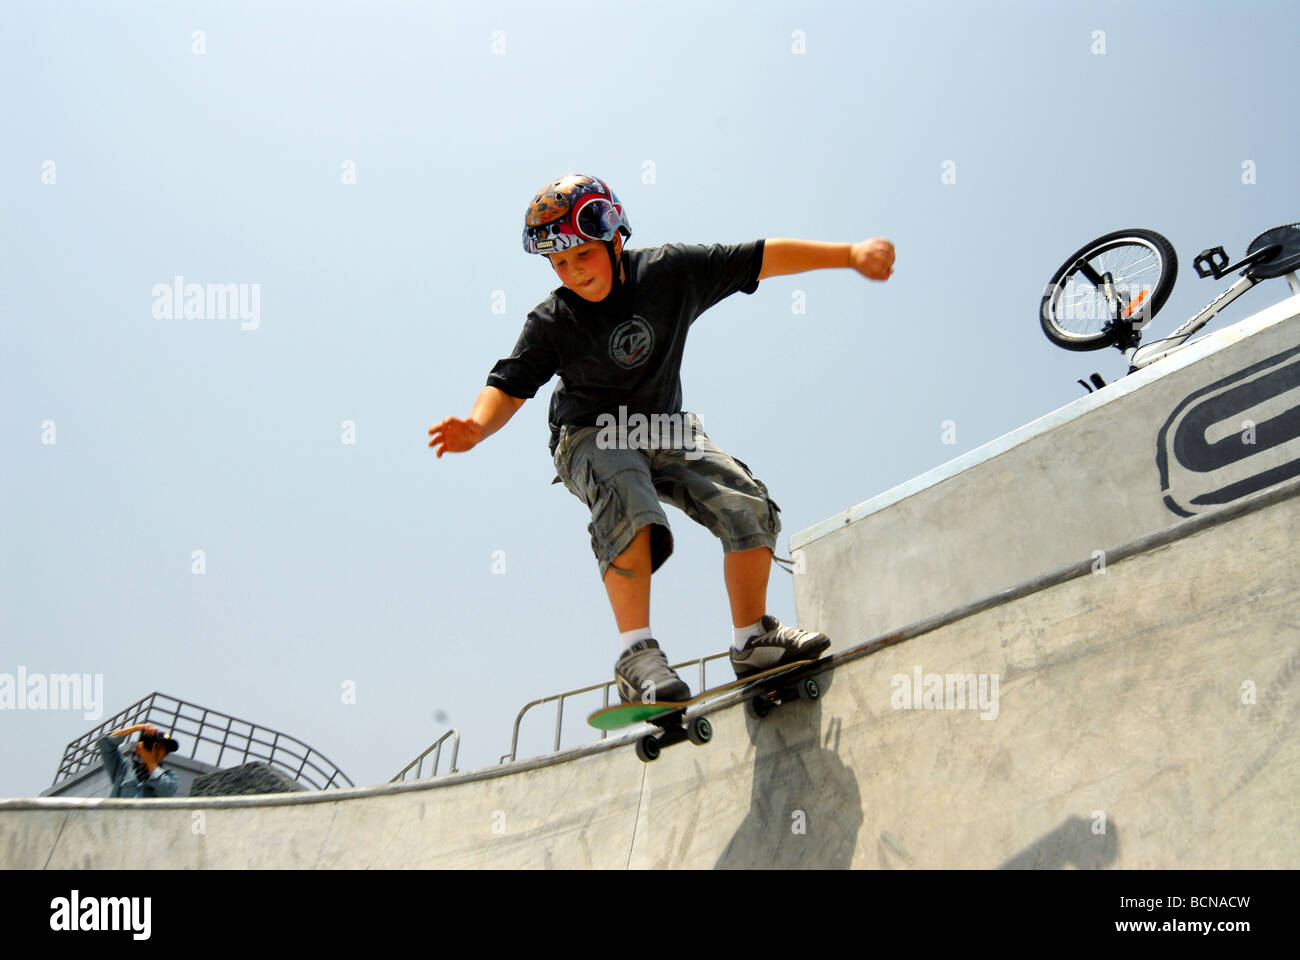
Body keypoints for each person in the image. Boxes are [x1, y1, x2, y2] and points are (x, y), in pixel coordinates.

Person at [428, 174, 895, 704]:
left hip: (665, 429)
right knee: (629, 495)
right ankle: (637, 656)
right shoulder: (551, 321)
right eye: (559, 264)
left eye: (582, 254)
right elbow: (509, 386)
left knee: (746, 502)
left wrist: (850, 254)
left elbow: (762, 257)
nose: (573, 271)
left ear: (614, 237)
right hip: (588, 434)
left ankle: (753, 640)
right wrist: (476, 427)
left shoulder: (670, 273)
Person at [97, 723, 180, 797]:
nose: (157, 751)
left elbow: (167, 791)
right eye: (156, 746)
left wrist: (150, 761)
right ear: (140, 746)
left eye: (163, 749)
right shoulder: (123, 769)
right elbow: (105, 742)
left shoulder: (170, 777)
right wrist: (138, 728)